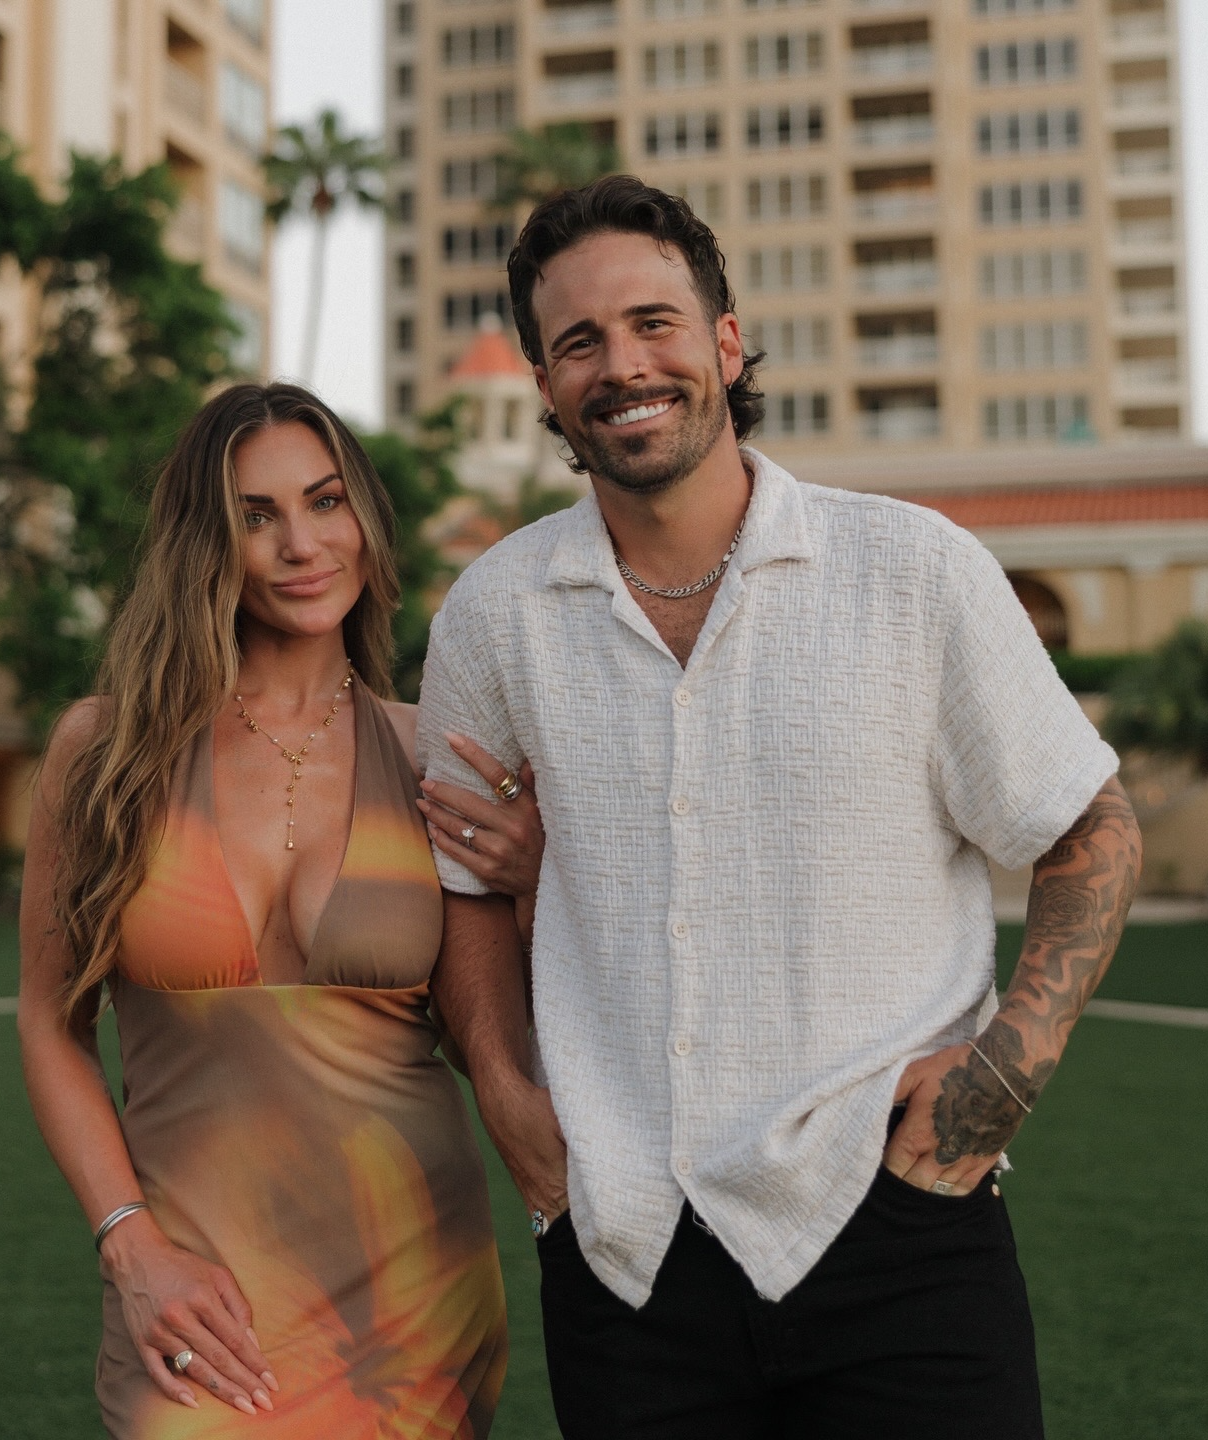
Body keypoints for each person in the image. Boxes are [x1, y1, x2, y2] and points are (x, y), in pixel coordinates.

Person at [415, 177, 1143, 1439]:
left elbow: (1093, 829)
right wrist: (507, 1098)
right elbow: (467, 884)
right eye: (577, 341)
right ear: (543, 385)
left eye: (654, 323)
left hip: (898, 1229)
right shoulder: (491, 612)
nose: (622, 365)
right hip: (624, 1251)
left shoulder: (912, 571)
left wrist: (1004, 1077)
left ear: (727, 342)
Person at [17, 383, 544, 1438]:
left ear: (365, 522)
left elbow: (514, 1038)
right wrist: (130, 1245)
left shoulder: (435, 754)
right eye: (256, 516)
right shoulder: (108, 754)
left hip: (412, 1297)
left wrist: (534, 885)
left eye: (326, 501)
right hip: (193, 1295)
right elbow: (49, 1024)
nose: (302, 543)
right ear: (204, 544)